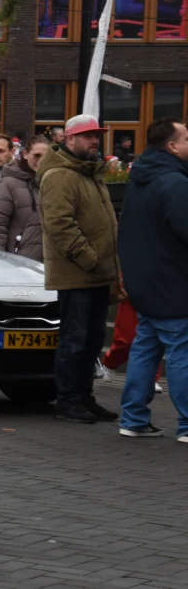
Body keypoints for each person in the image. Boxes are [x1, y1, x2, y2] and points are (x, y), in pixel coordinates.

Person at [39, 114, 120, 424]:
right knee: (74, 340)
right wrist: (90, 259)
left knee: (91, 340)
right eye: (88, 136)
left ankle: (84, 397)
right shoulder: (60, 175)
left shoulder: (88, 172)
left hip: (96, 273)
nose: (94, 140)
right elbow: (60, 225)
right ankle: (68, 400)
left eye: (96, 135)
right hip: (77, 274)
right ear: (69, 139)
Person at [116, 118, 188, 440]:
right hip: (173, 281)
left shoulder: (140, 178)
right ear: (172, 146)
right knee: (181, 350)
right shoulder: (174, 182)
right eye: (186, 138)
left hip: (144, 279)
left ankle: (133, 418)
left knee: (146, 347)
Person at [0, 135, 50, 261]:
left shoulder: (54, 181)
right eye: (37, 155)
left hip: (52, 259)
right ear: (26, 154)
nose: (41, 161)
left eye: (45, 156)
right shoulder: (10, 183)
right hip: (21, 259)